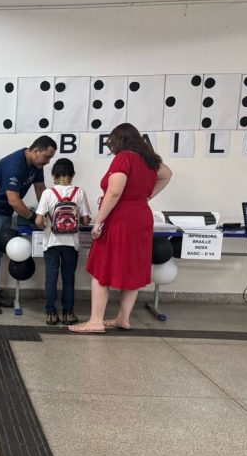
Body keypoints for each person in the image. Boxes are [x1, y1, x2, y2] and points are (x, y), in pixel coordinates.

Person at [70, 123, 172, 333]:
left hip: (120, 218)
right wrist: (146, 195)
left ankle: (95, 322)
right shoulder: (150, 160)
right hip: (141, 217)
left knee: (102, 268)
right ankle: (123, 318)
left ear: (118, 141)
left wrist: (99, 221)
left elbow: (115, 192)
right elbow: (167, 174)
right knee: (133, 267)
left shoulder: (124, 158)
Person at [0, 137, 56, 314]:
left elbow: (41, 191)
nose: (47, 162)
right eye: (46, 157)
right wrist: (34, 217)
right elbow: (13, 200)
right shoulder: (15, 164)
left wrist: (49, 214)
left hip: (5, 211)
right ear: (36, 151)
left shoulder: (37, 166)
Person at [34, 158, 91, 326]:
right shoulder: (79, 192)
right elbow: (85, 221)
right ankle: (68, 313)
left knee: (51, 277)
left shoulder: (48, 193)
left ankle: (51, 314)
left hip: (51, 243)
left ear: (53, 175)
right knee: (68, 278)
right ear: (72, 174)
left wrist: (48, 225)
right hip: (71, 244)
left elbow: (38, 221)